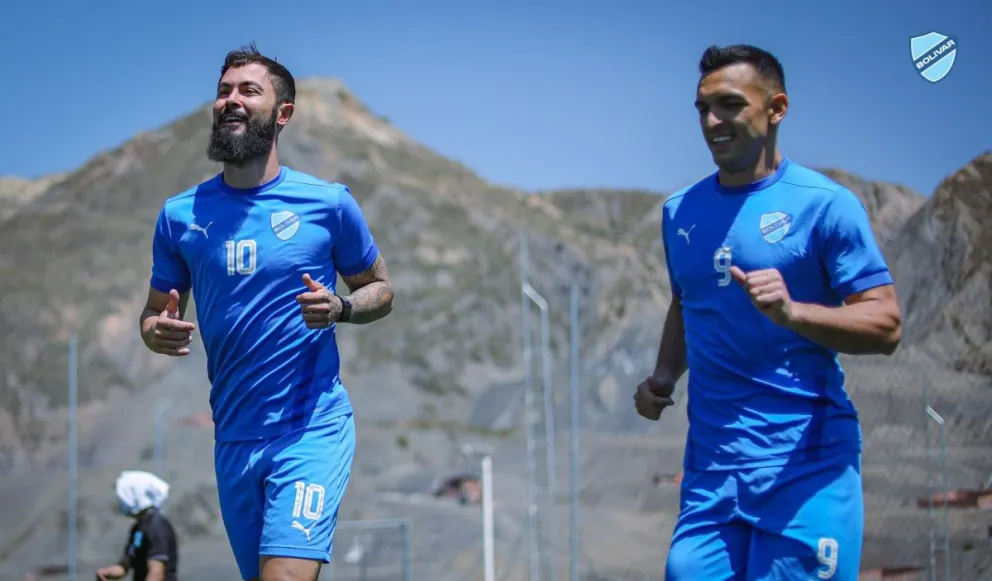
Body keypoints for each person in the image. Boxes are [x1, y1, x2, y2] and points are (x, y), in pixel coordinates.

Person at [634, 44, 903, 580]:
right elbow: (688, 299)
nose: (712, 122)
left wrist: (794, 313)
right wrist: (663, 376)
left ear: (775, 109)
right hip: (711, 472)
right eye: (702, 108)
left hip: (806, 468)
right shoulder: (678, 211)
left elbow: (886, 324)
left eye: (729, 105)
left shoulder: (826, 205)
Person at [138, 43, 394, 581]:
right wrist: (154, 330)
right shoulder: (180, 216)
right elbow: (153, 313)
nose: (230, 100)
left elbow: (381, 290)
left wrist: (343, 307)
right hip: (233, 439)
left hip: (309, 430)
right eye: (223, 91)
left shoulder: (328, 204)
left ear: (283, 114)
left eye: (248, 90)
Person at [95, 470, 178, 581]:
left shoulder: (156, 525)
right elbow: (125, 565)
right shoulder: (138, 528)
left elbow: (156, 573)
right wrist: (108, 572)